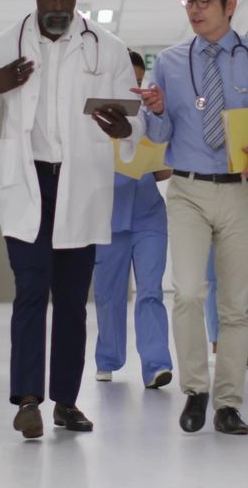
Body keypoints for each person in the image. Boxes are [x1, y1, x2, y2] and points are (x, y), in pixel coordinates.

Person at [0, 0, 144, 440]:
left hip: (80, 184)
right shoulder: (4, 45)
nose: (58, 5)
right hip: (30, 182)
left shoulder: (108, 49)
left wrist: (127, 127)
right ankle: (27, 400)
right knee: (31, 291)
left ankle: (65, 401)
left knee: (71, 300)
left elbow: (134, 119)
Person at [134, 0, 248, 435]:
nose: (195, 9)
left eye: (204, 0)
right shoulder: (168, 61)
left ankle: (228, 403)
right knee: (186, 291)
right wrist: (157, 111)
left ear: (230, 4)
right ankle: (196, 391)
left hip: (242, 192)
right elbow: (160, 134)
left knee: (233, 305)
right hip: (186, 190)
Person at [93, 51, 174, 389]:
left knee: (151, 291)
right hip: (106, 215)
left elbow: (163, 168)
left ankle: (156, 364)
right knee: (109, 294)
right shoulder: (94, 116)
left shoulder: (152, 117)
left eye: (140, 80)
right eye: (130, 80)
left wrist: (161, 158)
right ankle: (108, 359)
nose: (135, 86)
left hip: (148, 215)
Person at [205, 216, 248, 366]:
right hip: (210, 203)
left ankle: (236, 336)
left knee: (242, 269)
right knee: (218, 273)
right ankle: (224, 343)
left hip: (243, 201)